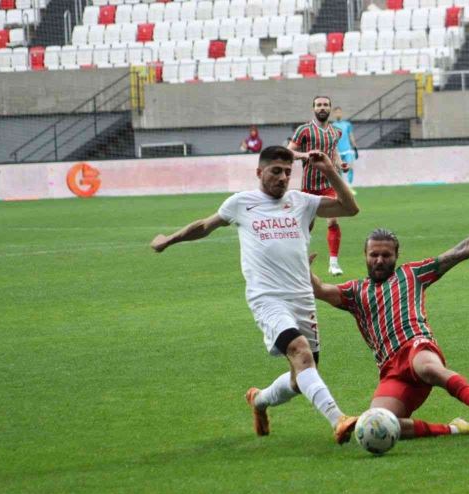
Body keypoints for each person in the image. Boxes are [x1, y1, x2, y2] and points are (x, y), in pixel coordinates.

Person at [150, 146, 361, 445]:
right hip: (267, 298)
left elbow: (350, 208)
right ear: (259, 172)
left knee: (301, 377)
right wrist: (168, 240)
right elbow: (204, 226)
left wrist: (329, 171)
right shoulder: (241, 203)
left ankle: (260, 400)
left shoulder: (301, 202)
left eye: (288, 172)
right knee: (300, 353)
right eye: (276, 171)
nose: (283, 177)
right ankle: (338, 419)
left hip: (301, 297)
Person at [311, 198, 469, 440]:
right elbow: (320, 290)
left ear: (396, 256)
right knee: (377, 424)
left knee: (428, 367)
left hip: (417, 345)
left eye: (386, 255)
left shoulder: (412, 274)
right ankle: (459, 428)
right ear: (365, 255)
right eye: (374, 254)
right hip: (391, 369)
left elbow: (462, 251)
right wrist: (300, 265)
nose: (379, 260)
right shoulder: (354, 292)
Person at [288, 96, 348, 277]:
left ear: (330, 108)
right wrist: (306, 155)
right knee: (307, 227)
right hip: (308, 186)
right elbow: (289, 151)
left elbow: (333, 151)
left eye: (325, 105)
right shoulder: (304, 130)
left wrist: (340, 163)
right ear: (313, 108)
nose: (322, 108)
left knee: (333, 220)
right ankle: (299, 262)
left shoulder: (335, 132)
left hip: (328, 184)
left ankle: (334, 263)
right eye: (319, 105)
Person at [331, 107, 358, 187]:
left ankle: (350, 185)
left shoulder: (347, 124)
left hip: (347, 150)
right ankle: (341, 187)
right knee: (338, 170)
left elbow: (351, 136)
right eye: (336, 112)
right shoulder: (332, 126)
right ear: (334, 114)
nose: (338, 114)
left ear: (341, 113)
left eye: (339, 112)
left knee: (350, 166)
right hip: (338, 152)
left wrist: (355, 148)